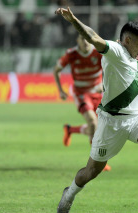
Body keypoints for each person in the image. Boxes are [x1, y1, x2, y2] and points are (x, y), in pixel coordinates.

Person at [55, 7, 138, 213]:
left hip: (135, 117)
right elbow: (93, 37)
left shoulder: (131, 57)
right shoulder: (115, 50)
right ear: (127, 40)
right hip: (111, 123)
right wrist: (74, 20)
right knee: (91, 171)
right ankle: (70, 193)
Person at [53, 34, 111, 172]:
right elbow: (56, 70)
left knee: (99, 128)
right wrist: (60, 90)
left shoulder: (98, 52)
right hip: (81, 94)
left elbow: (110, 67)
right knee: (93, 122)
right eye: (82, 38)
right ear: (77, 40)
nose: (85, 41)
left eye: (87, 39)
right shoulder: (71, 54)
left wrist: (104, 84)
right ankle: (96, 162)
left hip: (97, 94)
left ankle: (70, 130)